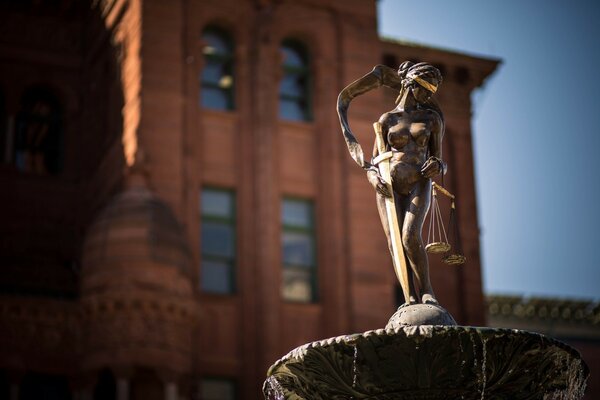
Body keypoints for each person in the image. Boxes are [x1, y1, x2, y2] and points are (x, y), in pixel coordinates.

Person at [337, 61, 445, 305]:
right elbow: (375, 160)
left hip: (419, 181)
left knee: (409, 235)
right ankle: (409, 296)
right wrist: (373, 176)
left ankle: (427, 290)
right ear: (411, 84)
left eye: (432, 92)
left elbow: (438, 158)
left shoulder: (432, 119)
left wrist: (438, 166)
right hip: (388, 185)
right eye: (426, 89)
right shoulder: (387, 120)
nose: (428, 96)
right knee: (394, 241)